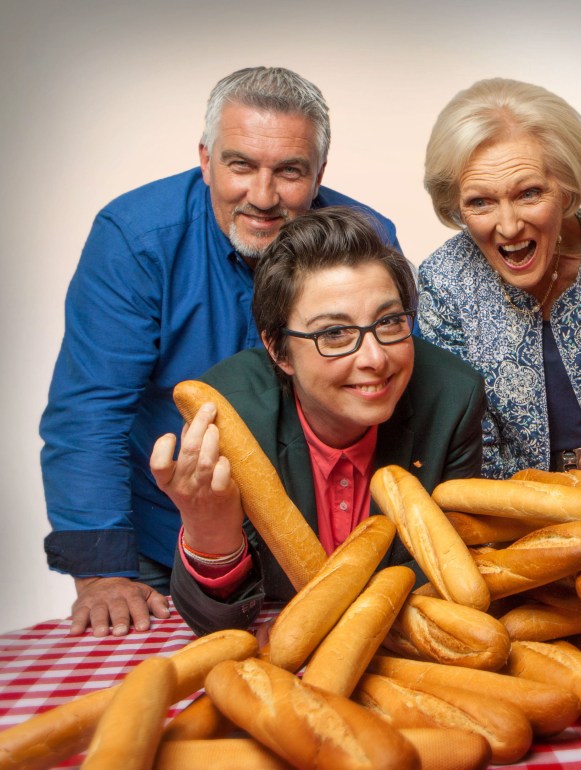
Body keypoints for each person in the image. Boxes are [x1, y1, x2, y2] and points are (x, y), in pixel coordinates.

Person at [40, 66, 401, 637]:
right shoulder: (135, 240)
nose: (262, 196)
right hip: (172, 541)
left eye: (288, 172)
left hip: (318, 545)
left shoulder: (366, 239)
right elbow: (90, 411)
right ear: (205, 159)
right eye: (240, 165)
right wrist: (103, 572)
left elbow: (390, 388)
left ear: (319, 174)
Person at [150, 207, 485, 635]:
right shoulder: (231, 416)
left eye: (389, 322)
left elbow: (451, 575)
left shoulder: (452, 397)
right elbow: (219, 622)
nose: (375, 358)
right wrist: (209, 533)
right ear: (278, 350)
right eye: (334, 334)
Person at [416, 78, 581, 479]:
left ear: (566, 189)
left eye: (529, 193)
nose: (509, 225)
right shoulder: (444, 281)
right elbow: (465, 443)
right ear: (456, 207)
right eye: (480, 202)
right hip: (519, 517)